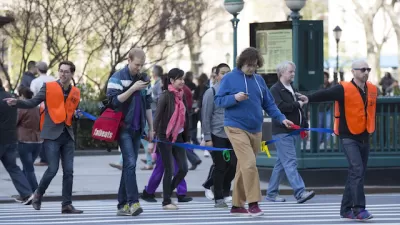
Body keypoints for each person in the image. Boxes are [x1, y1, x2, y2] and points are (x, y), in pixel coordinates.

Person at [215, 47, 293, 216]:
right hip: (235, 126)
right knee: (249, 164)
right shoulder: (229, 78)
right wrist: (235, 98)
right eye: (249, 65)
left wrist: (281, 118)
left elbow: (269, 103)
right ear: (242, 63)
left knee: (244, 167)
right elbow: (219, 100)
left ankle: (236, 205)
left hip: (255, 129)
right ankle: (253, 203)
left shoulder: (259, 80)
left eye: (255, 65)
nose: (251, 68)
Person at [4, 61, 83, 214]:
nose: (63, 74)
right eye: (61, 71)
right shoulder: (49, 87)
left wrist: (77, 115)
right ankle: (38, 194)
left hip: (67, 135)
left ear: (72, 74)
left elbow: (73, 111)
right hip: (51, 134)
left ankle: (66, 204)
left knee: (69, 172)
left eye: (66, 72)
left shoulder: (76, 92)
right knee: (52, 169)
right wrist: (17, 102)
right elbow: (33, 102)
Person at [304, 59, 376, 221]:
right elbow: (325, 94)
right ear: (354, 71)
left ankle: (345, 209)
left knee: (357, 172)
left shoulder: (371, 89)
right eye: (362, 69)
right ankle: (359, 209)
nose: (365, 72)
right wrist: (308, 98)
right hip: (348, 136)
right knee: (357, 170)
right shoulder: (343, 89)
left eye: (368, 69)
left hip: (364, 136)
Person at [106, 48, 153, 216]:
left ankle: (122, 205)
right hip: (123, 127)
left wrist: (151, 128)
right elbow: (113, 102)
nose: (138, 68)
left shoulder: (144, 79)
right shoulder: (117, 78)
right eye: (136, 65)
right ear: (129, 60)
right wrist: (133, 88)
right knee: (131, 164)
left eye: (141, 65)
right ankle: (133, 202)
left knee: (128, 166)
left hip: (138, 128)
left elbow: (148, 104)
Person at [266, 61, 315, 203]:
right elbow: (279, 108)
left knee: (281, 163)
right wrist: (297, 104)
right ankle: (300, 192)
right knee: (290, 162)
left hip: (293, 130)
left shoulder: (291, 88)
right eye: (290, 71)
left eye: (293, 71)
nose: (293, 74)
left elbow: (299, 111)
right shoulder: (275, 89)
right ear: (281, 73)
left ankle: (271, 193)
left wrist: (304, 125)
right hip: (282, 130)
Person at [153, 68, 190, 210]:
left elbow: (186, 117)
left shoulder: (182, 95)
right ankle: (166, 201)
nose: (182, 81)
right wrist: (154, 133)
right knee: (169, 169)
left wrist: (187, 137)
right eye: (179, 79)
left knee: (183, 168)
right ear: (172, 81)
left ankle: (167, 192)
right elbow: (157, 117)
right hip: (165, 137)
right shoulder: (165, 96)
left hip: (179, 136)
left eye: (183, 78)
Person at [202, 63, 236, 208]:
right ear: (216, 76)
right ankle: (219, 197)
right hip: (217, 135)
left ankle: (219, 188)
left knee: (233, 165)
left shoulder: (234, 92)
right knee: (221, 166)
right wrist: (208, 138)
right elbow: (205, 117)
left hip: (233, 134)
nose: (226, 75)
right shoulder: (211, 92)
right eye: (223, 73)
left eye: (228, 72)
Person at [0, 79, 34, 205]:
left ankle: (26, 194)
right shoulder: (10, 97)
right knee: (13, 167)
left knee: (13, 167)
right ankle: (27, 193)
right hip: (11, 138)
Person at [16, 86, 43, 193]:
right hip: (38, 141)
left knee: (28, 169)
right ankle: (25, 192)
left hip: (24, 140)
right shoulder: (38, 108)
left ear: (22, 96)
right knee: (27, 167)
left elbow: (15, 122)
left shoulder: (22, 108)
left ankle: (36, 193)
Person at [30, 61, 56, 167]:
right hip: (54, 109)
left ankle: (44, 158)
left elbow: (32, 97)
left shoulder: (35, 81)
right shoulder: (54, 79)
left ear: (38, 69)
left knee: (41, 134)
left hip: (40, 109)